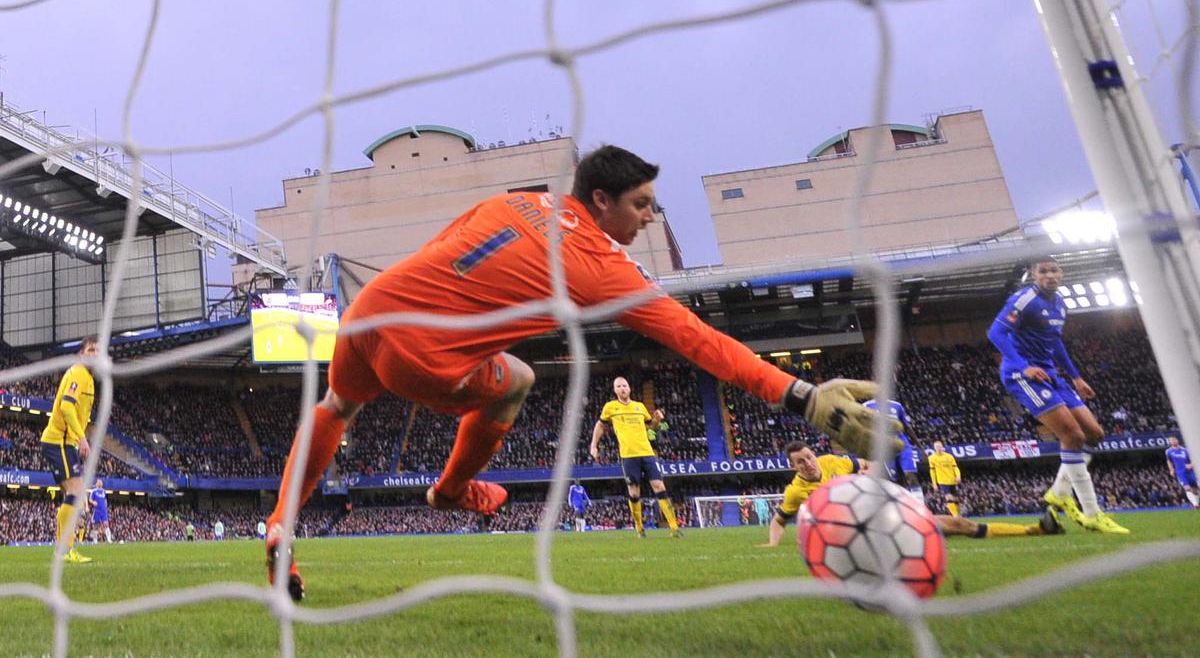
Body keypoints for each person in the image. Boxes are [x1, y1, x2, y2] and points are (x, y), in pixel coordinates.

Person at [263, 145, 896, 600]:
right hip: (423, 352)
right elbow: (697, 340)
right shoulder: (601, 266)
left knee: (336, 408)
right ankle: (452, 491)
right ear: (602, 199)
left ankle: (280, 527)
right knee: (516, 380)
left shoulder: (517, 200)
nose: (650, 216)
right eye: (641, 204)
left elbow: (446, 246)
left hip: (370, 309)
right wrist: (801, 394)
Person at [987, 256, 1129, 534]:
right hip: (1023, 375)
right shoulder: (1024, 298)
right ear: (1033, 274)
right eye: (1043, 271)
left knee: (1094, 433)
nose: (1050, 275)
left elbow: (1055, 343)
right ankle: (1092, 513)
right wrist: (1023, 365)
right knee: (1072, 436)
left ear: (1061, 273)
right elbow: (996, 333)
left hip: (1052, 374)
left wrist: (1075, 376)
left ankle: (1059, 493)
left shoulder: (1060, 303)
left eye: (1054, 270)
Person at [760, 441, 1063, 547]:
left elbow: (869, 462)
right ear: (792, 466)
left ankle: (1034, 529)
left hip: (885, 512)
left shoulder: (832, 461)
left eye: (809, 456)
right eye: (800, 462)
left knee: (957, 525)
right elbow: (779, 519)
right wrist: (774, 544)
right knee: (948, 527)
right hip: (861, 531)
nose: (809, 463)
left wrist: (868, 470)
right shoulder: (795, 491)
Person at [590, 377, 681, 538]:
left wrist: (657, 420)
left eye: (625, 385)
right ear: (615, 390)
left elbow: (650, 426)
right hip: (628, 455)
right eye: (619, 386)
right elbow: (600, 425)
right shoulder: (610, 407)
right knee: (634, 492)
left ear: (629, 388)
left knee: (660, 486)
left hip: (647, 453)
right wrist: (593, 445)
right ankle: (640, 528)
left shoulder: (639, 406)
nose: (622, 388)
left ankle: (674, 528)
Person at [39, 335, 98, 564]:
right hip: (58, 441)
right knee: (75, 491)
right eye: (91, 350)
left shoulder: (89, 379)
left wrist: (79, 440)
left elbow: (81, 415)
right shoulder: (78, 373)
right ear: (82, 354)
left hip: (66, 442)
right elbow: (66, 406)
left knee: (74, 493)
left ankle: (64, 549)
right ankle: (64, 550)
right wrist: (82, 439)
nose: (95, 354)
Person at [863, 398, 925, 504]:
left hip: (903, 445)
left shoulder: (897, 405)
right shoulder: (867, 405)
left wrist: (920, 446)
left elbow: (907, 426)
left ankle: (920, 505)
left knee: (911, 475)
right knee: (896, 480)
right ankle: (903, 505)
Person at [1165, 436, 1200, 509]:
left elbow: (1195, 459)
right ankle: (1195, 504)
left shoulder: (1185, 450)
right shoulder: (1168, 451)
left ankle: (1197, 502)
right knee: (1187, 488)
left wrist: (1191, 465)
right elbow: (1169, 461)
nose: (1173, 441)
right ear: (1169, 442)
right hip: (1180, 472)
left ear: (1177, 440)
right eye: (1171, 440)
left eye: (1174, 439)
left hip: (1190, 472)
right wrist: (1171, 469)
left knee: (1195, 489)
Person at [928, 441, 962, 517]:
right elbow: (932, 471)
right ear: (934, 448)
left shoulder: (949, 456)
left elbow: (955, 467)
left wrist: (958, 476)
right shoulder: (932, 458)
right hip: (942, 481)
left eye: (939, 446)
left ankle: (958, 515)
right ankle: (955, 516)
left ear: (942, 447)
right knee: (949, 498)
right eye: (937, 447)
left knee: (956, 499)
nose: (938, 448)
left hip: (953, 480)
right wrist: (934, 484)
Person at [89, 479, 112, 544]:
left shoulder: (104, 491)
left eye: (100, 482)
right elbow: (90, 499)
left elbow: (105, 500)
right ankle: (95, 540)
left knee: (106, 524)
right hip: (97, 511)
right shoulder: (93, 491)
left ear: (102, 483)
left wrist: (106, 507)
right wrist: (93, 502)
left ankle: (109, 539)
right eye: (98, 482)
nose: (99, 483)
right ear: (96, 483)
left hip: (103, 511)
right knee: (95, 526)